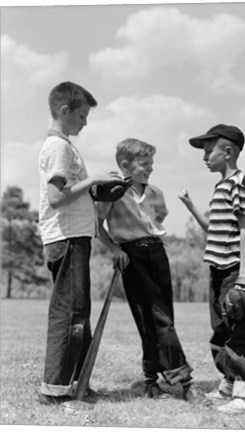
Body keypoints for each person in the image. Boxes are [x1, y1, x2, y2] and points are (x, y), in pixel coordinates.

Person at [96, 138, 204, 403]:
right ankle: (183, 382)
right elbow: (98, 227)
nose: (150, 169)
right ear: (125, 165)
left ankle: (150, 381)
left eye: (151, 164)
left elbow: (159, 217)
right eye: (145, 164)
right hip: (132, 257)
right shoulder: (113, 191)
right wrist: (116, 249)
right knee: (157, 318)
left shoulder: (155, 193)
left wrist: (148, 238)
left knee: (161, 315)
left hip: (157, 252)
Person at [38, 81, 124, 405]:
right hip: (68, 238)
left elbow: (71, 193)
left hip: (73, 238)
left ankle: (78, 382)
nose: (85, 123)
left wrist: (102, 190)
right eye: (83, 116)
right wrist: (94, 179)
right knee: (70, 314)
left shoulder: (62, 147)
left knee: (77, 312)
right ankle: (56, 389)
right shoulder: (59, 148)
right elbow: (57, 197)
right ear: (65, 111)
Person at [178, 124, 245, 414]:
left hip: (233, 269)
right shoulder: (220, 186)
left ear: (227, 152)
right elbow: (212, 229)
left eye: (207, 151)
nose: (204, 157)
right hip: (217, 269)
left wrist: (243, 275)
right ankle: (228, 385)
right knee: (220, 330)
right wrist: (190, 206)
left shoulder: (238, 182)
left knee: (241, 331)